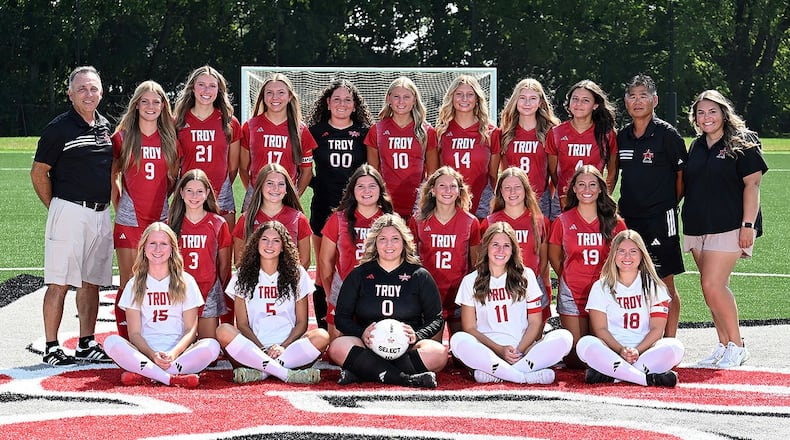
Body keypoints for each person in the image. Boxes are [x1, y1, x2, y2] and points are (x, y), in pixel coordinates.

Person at [31, 66, 114, 365]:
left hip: (101, 214)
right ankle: (52, 346)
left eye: (93, 88)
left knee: (92, 282)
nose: (88, 94)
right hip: (68, 210)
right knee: (60, 282)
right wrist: (56, 207)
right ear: (70, 93)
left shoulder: (106, 126)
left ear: (101, 91)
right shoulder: (59, 128)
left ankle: (86, 342)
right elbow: (39, 173)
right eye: (82, 89)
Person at [683, 90, 768, 368]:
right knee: (711, 290)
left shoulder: (743, 141)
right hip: (697, 226)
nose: (706, 117)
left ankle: (738, 345)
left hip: (730, 225)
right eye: (700, 112)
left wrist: (748, 224)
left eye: (712, 111)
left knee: (712, 284)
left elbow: (752, 185)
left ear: (723, 113)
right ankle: (723, 345)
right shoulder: (696, 146)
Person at [328, 214, 448, 388]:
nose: (389, 245)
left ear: (404, 242)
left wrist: (417, 335)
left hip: (407, 346)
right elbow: (341, 317)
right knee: (337, 347)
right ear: (374, 242)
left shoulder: (419, 275)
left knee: (439, 353)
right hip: (368, 346)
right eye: (383, 239)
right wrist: (362, 333)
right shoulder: (360, 274)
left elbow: (436, 318)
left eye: (395, 239)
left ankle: (364, 371)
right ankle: (405, 379)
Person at [450, 222, 573, 384]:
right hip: (488, 351)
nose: (501, 251)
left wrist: (519, 351)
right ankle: (524, 377)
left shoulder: (526, 275)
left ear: (513, 249)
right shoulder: (470, 281)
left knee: (564, 337)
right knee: (458, 340)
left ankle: (499, 374)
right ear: (486, 247)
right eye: (495, 245)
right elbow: (470, 328)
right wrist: (499, 350)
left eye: (506, 245)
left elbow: (535, 322)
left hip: (523, 349)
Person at [103, 222, 221, 388]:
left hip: (178, 355)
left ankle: (148, 375)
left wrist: (173, 354)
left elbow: (190, 330)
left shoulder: (186, 281)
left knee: (212, 345)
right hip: (145, 353)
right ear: (144, 247)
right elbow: (134, 334)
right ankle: (173, 377)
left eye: (163, 244)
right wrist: (152, 355)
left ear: (172, 248)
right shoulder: (134, 284)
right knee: (111, 342)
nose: (157, 249)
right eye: (152, 243)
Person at [616, 74, 688, 337]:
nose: (637, 101)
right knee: (631, 279)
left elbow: (682, 177)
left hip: (660, 218)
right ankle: (638, 337)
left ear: (654, 100)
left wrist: (666, 204)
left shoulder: (667, 135)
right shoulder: (622, 137)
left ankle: (669, 342)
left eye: (643, 95)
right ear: (625, 102)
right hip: (629, 220)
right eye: (632, 96)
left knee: (663, 281)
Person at [217, 221, 328, 384]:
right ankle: (285, 373)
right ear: (256, 243)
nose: (270, 244)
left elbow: (302, 323)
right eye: (264, 239)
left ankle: (262, 373)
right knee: (223, 330)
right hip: (253, 347)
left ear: (283, 246)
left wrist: (283, 347)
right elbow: (242, 325)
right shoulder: (243, 275)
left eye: (276, 240)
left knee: (322, 336)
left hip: (289, 348)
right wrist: (261, 350)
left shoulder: (297, 273)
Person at [111, 80, 180, 339]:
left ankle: (153, 335)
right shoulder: (122, 137)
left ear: (164, 106)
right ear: (136, 105)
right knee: (129, 282)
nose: (151, 106)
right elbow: (112, 176)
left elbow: (173, 178)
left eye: (156, 101)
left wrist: (163, 200)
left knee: (157, 280)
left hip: (159, 220)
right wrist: (120, 205)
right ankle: (125, 337)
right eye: (145, 101)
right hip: (129, 220)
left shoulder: (170, 138)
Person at [576, 230, 684, 387]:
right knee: (584, 343)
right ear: (614, 255)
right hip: (612, 351)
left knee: (675, 346)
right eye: (621, 251)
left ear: (641, 255)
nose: (627, 257)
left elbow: (657, 329)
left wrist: (637, 351)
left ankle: (614, 375)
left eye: (633, 251)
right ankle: (646, 378)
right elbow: (600, 329)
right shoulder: (601, 286)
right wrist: (620, 350)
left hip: (645, 352)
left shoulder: (654, 285)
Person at [308, 79, 374, 331]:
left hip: (357, 209)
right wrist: (318, 183)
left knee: (353, 262)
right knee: (325, 264)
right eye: (337, 99)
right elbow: (303, 168)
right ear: (328, 102)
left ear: (355, 105)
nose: (342, 104)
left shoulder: (365, 133)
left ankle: (359, 317)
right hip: (323, 207)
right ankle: (327, 321)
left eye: (348, 99)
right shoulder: (315, 132)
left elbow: (371, 172)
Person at [548, 165, 627, 368]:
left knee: (601, 353)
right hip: (573, 291)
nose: (587, 190)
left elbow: (624, 258)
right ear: (573, 188)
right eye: (581, 185)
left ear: (601, 188)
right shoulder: (563, 221)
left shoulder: (615, 222)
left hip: (604, 292)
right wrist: (569, 275)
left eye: (592, 184)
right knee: (577, 358)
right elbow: (555, 257)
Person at [319, 164, 393, 339]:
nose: (366, 191)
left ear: (380, 190)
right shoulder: (338, 219)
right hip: (345, 287)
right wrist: (331, 294)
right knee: (337, 346)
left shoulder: (390, 220)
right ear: (353, 190)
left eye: (372, 186)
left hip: (379, 290)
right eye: (360, 186)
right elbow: (325, 261)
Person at [410, 166, 481, 338]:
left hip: (458, 296)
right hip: (429, 296)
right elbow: (410, 260)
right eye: (442, 186)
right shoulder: (418, 221)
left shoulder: (470, 222)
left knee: (462, 356)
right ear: (432, 190)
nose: (448, 190)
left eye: (453, 186)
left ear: (459, 191)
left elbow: (476, 265)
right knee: (432, 354)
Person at [174, 65, 243, 234]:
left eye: (212, 85)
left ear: (219, 90)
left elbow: (233, 166)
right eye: (201, 85)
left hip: (222, 193)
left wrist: (218, 189)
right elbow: (174, 164)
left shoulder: (229, 122)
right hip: (189, 195)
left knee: (223, 252)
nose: (207, 90)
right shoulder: (178, 122)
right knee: (188, 248)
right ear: (192, 88)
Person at [167, 169, 232, 340]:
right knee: (177, 347)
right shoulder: (171, 224)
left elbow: (224, 264)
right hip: (179, 290)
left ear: (207, 193)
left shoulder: (218, 223)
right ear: (181, 193)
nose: (194, 196)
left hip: (208, 289)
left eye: (199, 191)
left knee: (208, 350)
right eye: (189, 191)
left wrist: (216, 287)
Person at [481, 167, 552, 321]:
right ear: (500, 191)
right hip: (500, 288)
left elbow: (544, 261)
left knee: (533, 340)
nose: (512, 192)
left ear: (526, 189)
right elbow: (482, 260)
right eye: (507, 188)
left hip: (531, 286)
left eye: (517, 187)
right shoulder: (490, 222)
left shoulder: (540, 221)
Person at [365, 76, 439, 221]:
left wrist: (427, 203)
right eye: (396, 96)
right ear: (388, 99)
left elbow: (433, 175)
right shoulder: (377, 130)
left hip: (417, 203)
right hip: (386, 202)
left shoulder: (427, 131)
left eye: (406, 97)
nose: (401, 101)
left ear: (414, 100)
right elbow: (373, 173)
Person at [240, 73, 316, 208]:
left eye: (281, 92)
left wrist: (294, 196)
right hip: (256, 198)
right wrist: (254, 192)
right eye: (269, 92)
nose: (275, 97)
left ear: (290, 96)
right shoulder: (250, 126)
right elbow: (243, 168)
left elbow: (307, 172)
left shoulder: (301, 130)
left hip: (286, 197)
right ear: (263, 96)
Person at [494, 78, 561, 221]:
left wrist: (549, 197)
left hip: (540, 198)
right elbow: (503, 170)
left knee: (539, 241)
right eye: (522, 98)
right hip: (511, 198)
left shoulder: (550, 132)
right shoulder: (505, 133)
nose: (527, 103)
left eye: (532, 98)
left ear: (540, 102)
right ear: (515, 101)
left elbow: (554, 172)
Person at [546, 80, 618, 210]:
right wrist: (566, 194)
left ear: (595, 105)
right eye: (575, 99)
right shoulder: (556, 133)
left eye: (585, 100)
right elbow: (553, 172)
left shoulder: (606, 134)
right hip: (563, 201)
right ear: (569, 103)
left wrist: (602, 196)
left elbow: (612, 172)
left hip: (593, 199)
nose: (579, 104)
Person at [436, 75, 499, 219]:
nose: (464, 99)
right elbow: (436, 174)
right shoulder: (441, 132)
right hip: (449, 200)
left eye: (470, 94)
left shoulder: (491, 132)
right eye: (459, 94)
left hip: (482, 203)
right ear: (451, 97)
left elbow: (493, 175)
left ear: (477, 99)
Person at [232, 163, 312, 269]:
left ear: (287, 188)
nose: (275, 188)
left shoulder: (299, 219)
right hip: (255, 283)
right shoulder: (246, 219)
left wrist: (287, 281)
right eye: (270, 183)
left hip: (288, 283)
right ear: (260, 186)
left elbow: (305, 261)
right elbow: (239, 261)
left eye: (281, 184)